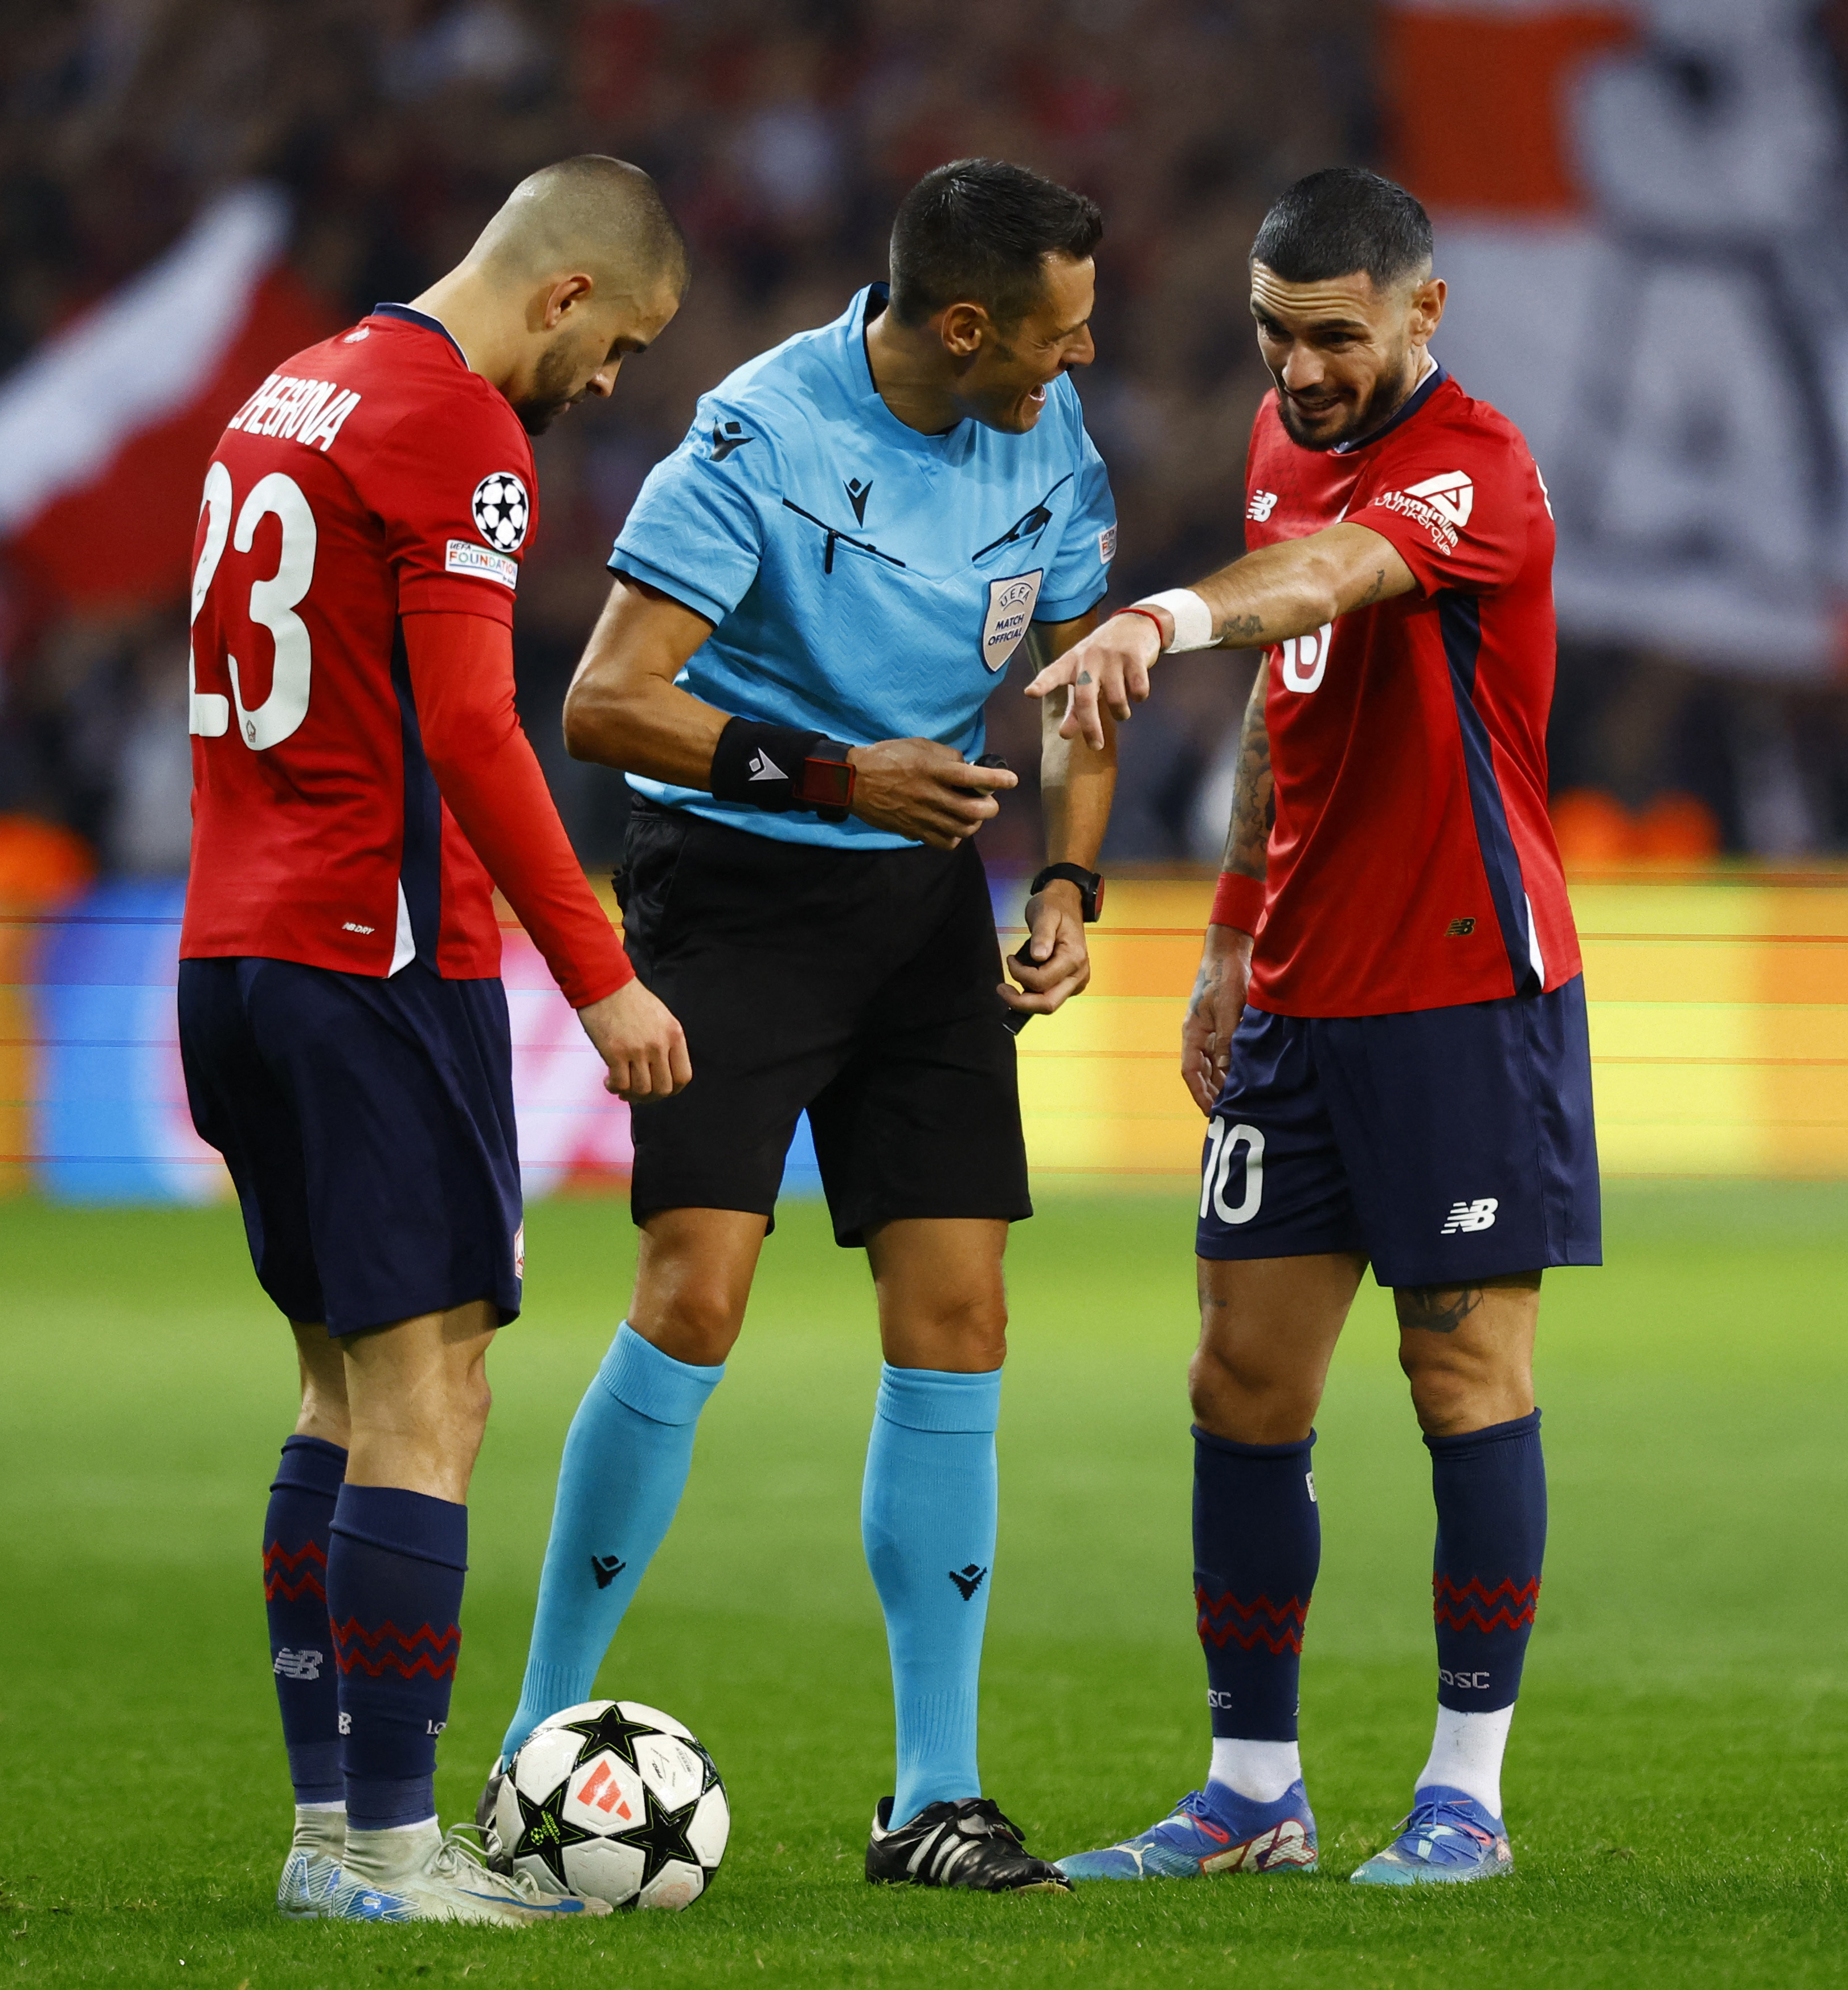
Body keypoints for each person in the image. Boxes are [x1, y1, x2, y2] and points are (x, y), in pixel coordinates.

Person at [493, 157, 1122, 1895]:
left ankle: (936, 1794)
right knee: (697, 1288)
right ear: (969, 323)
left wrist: (1068, 884)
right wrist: (844, 772)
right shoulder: (761, 433)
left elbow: (1080, 697)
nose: (1083, 364)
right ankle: (534, 1747)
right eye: (1059, 335)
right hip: (739, 890)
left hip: (927, 904)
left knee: (961, 1309)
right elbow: (607, 703)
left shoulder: (1051, 449)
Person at [1026, 166, 1598, 1887]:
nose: (1300, 370)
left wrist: (1161, 615)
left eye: (1335, 338)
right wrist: (1225, 938)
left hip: (1461, 989)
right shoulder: (1294, 439)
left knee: (1460, 1371)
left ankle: (1467, 1792)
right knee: (1244, 1378)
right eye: (1275, 335)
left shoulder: (1472, 473)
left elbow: (1329, 584)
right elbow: (1298, 716)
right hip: (1300, 991)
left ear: (1426, 314)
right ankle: (1252, 1793)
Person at [177, 157, 694, 1927]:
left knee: (334, 1388)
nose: (609, 383)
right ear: (561, 297)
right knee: (432, 1396)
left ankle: (336, 1836)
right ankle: (391, 1852)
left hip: (232, 949)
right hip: (375, 956)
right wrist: (600, 974)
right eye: (618, 344)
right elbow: (476, 732)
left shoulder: (291, 387)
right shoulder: (461, 429)